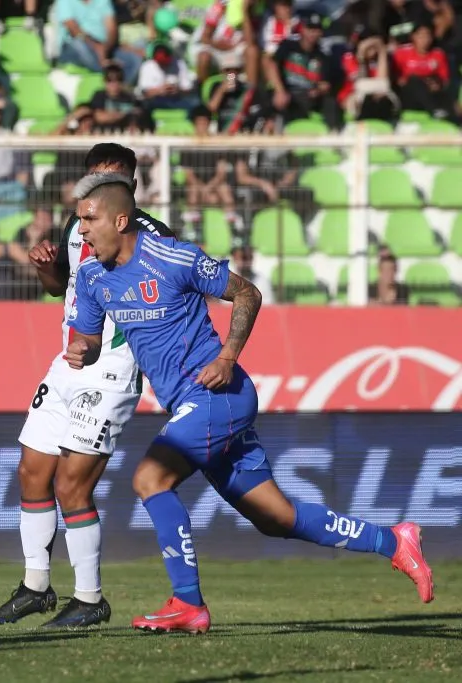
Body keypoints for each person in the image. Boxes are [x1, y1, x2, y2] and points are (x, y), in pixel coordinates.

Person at [63, 172, 433, 634]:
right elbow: (90, 341)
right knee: (277, 518)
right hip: (189, 405)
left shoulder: (172, 257)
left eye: (89, 219)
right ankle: (394, 541)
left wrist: (227, 356)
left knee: (150, 478)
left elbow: (246, 292)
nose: (81, 229)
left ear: (121, 220)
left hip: (220, 394)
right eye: (79, 220)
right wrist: (82, 350)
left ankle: (187, 603)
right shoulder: (95, 277)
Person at [0, 144, 174, 629]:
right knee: (31, 470)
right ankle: (35, 586)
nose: (101, 188)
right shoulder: (77, 226)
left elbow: (159, 304)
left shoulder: (151, 238)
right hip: (66, 363)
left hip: (110, 370)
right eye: (95, 176)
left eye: (114, 179)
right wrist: (46, 265)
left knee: (72, 485)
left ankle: (90, 599)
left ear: (132, 186)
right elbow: (61, 287)